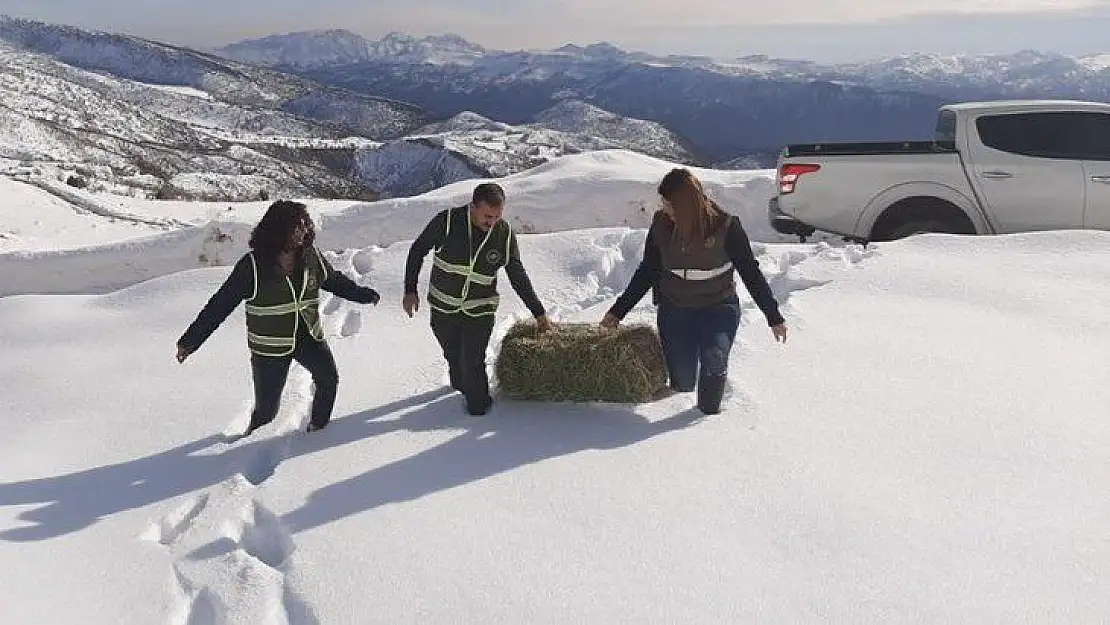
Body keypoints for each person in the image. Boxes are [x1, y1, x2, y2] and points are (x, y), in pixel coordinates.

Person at [176, 200, 380, 437]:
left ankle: (317, 432)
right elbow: (220, 305)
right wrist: (190, 341)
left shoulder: (310, 255)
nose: (303, 230)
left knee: (329, 379)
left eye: (305, 225)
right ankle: (247, 442)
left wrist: (362, 294)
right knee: (267, 412)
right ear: (278, 230)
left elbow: (333, 279)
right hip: (269, 347)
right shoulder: (252, 266)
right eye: (296, 226)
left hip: (307, 334)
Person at [601, 168, 788, 414]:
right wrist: (618, 311)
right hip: (675, 309)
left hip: (718, 307)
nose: (664, 209)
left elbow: (750, 272)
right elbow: (648, 271)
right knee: (683, 381)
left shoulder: (726, 226)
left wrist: (773, 316)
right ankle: (685, 380)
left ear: (686, 205)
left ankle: (709, 418)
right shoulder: (661, 225)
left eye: (669, 204)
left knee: (714, 358)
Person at [403, 182, 553, 416]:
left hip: (480, 309)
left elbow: (517, 275)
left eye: (497, 216)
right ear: (472, 206)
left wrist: (539, 313)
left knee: (473, 359)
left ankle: (479, 410)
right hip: (444, 307)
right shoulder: (447, 222)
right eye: (487, 216)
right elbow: (417, 250)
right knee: (453, 354)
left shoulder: (504, 234)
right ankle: (459, 385)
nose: (491, 222)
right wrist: (410, 290)